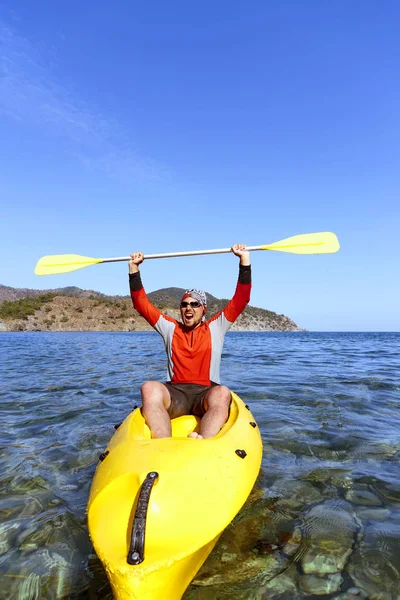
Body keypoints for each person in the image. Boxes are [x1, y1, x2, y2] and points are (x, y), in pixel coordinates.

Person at [129, 244, 251, 439]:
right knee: (149, 387)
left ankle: (205, 442)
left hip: (206, 394)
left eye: (195, 304)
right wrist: (134, 269)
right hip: (176, 394)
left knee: (222, 393)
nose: (188, 308)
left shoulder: (215, 327)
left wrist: (244, 260)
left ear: (203, 309)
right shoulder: (169, 328)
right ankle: (162, 443)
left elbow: (241, 298)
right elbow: (141, 303)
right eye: (184, 304)